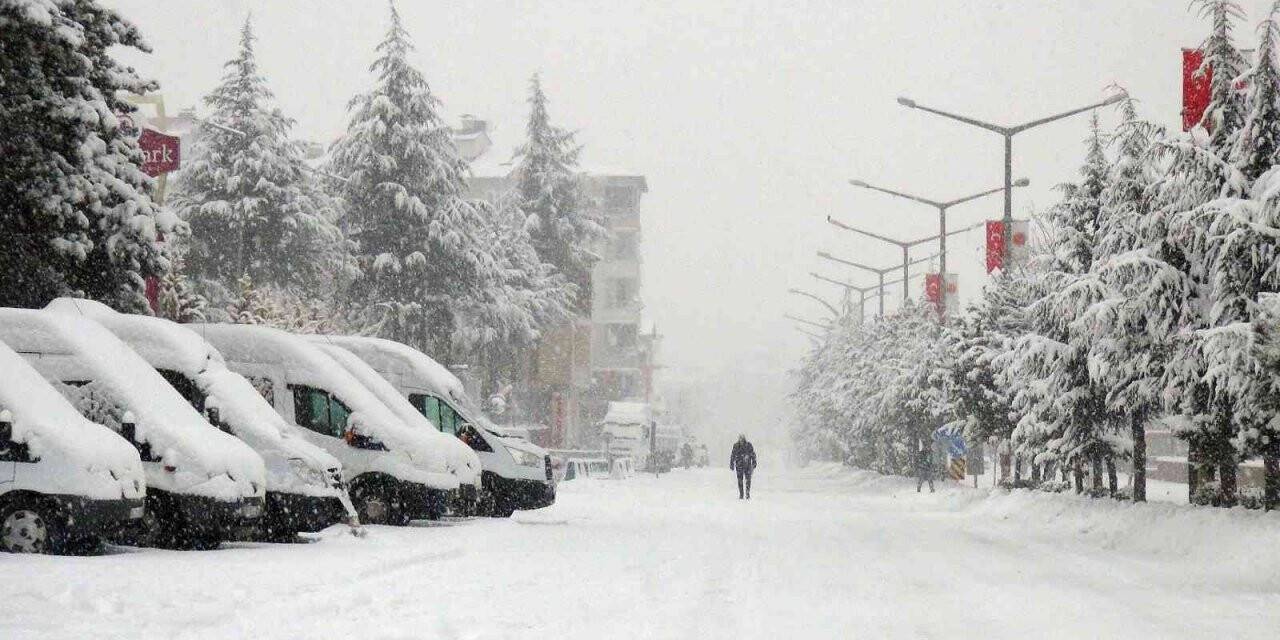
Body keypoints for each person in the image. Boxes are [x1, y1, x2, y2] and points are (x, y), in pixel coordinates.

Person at [729, 434, 757, 499]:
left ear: (744, 439)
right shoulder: (736, 446)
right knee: (740, 481)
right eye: (740, 439)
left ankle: (747, 494)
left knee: (748, 480)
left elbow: (753, 454)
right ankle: (741, 494)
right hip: (739, 466)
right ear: (739, 439)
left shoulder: (748, 445)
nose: (741, 440)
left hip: (747, 466)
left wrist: (754, 462)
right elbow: (733, 455)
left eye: (742, 439)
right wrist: (731, 464)